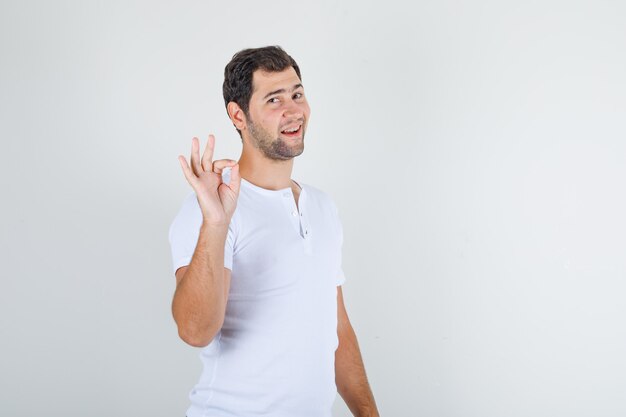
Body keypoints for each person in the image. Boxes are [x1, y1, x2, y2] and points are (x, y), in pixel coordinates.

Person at [169, 46, 379, 417]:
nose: (292, 109)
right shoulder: (209, 210)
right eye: (273, 99)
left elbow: (338, 330)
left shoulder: (322, 207)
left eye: (297, 93)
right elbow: (194, 330)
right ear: (238, 115)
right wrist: (216, 224)